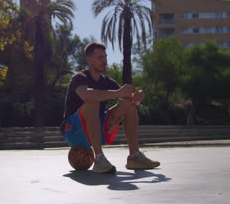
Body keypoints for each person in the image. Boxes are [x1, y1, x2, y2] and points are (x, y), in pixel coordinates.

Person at [60, 42, 160, 174]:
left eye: (105, 57)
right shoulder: (79, 78)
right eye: (100, 58)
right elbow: (87, 95)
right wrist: (118, 93)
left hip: (96, 129)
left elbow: (128, 97)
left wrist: (137, 97)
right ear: (89, 60)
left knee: (128, 105)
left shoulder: (107, 81)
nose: (105, 61)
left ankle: (134, 156)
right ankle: (99, 159)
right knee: (92, 101)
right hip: (73, 132)